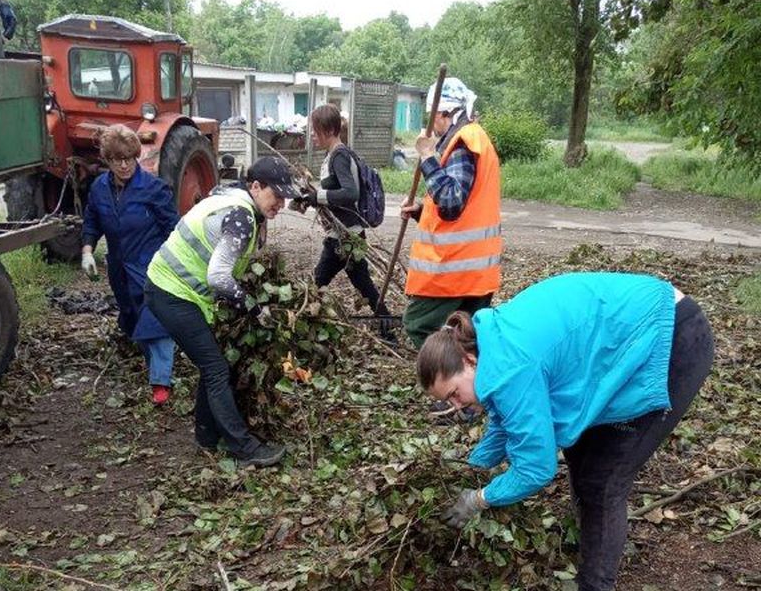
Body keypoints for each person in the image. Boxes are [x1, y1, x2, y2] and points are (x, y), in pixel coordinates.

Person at [416, 272, 714, 591]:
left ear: (468, 359)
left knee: (603, 479)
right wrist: (475, 466)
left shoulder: (509, 370)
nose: (457, 406)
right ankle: (590, 539)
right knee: (579, 449)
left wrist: (479, 498)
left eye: (453, 395)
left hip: (669, 339)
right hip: (627, 331)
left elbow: (536, 469)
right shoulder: (492, 343)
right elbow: (506, 418)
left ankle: (595, 583)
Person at [144, 156, 301, 467]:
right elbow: (219, 277)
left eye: (285, 198)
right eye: (277, 195)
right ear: (256, 187)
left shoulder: (233, 198)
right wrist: (254, 309)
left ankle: (206, 437)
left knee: (211, 364)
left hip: (172, 290)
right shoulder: (241, 218)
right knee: (217, 369)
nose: (280, 204)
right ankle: (244, 449)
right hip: (170, 293)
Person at [400, 77, 501, 350]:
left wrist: (428, 157)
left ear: (445, 113)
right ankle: (471, 387)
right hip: (474, 269)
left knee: (419, 324)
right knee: (466, 335)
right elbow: (464, 207)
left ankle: (449, 381)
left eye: (433, 116)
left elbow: (452, 202)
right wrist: (422, 212)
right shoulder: (472, 139)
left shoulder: (462, 142)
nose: (431, 123)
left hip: (454, 270)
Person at [81, 124, 179, 405]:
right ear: (107, 161)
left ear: (136, 156)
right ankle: (155, 366)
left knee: (155, 319)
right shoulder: (99, 189)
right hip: (119, 269)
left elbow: (173, 228)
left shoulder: (153, 189)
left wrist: (174, 265)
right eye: (116, 160)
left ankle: (161, 383)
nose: (124, 165)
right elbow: (92, 220)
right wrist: (87, 251)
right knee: (132, 317)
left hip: (152, 267)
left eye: (129, 158)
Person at [302, 104, 391, 321]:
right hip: (348, 235)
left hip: (344, 237)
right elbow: (338, 194)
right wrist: (311, 198)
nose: (312, 135)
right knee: (364, 285)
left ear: (330, 130)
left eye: (315, 130)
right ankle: (387, 324)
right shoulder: (336, 154)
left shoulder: (339, 156)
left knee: (316, 283)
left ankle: (302, 321)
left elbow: (350, 192)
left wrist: (319, 196)